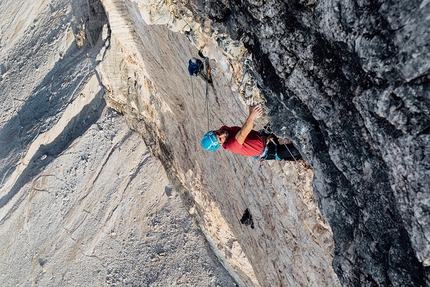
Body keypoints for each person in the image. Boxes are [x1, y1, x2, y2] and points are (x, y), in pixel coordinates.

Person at [201, 105, 302, 161]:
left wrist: (250, 108)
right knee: (299, 151)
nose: (222, 134)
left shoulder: (225, 130)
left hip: (263, 136)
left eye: (217, 132)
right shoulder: (232, 145)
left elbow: (245, 128)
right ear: (220, 144)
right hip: (269, 151)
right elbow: (242, 133)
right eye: (220, 138)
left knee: (281, 118)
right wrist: (251, 116)